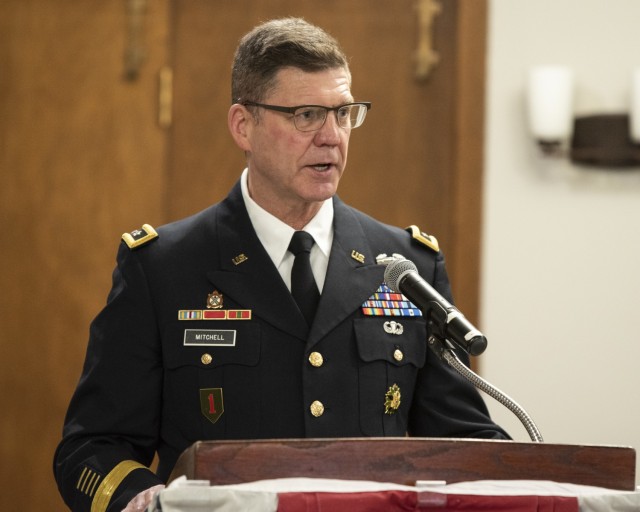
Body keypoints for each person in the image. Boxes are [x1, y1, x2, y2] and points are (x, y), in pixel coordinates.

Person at [54, 17, 509, 512]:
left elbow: (465, 444)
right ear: (243, 126)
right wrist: (142, 501)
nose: (332, 136)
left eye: (344, 113)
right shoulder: (164, 268)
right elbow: (92, 448)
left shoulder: (405, 266)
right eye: (307, 115)